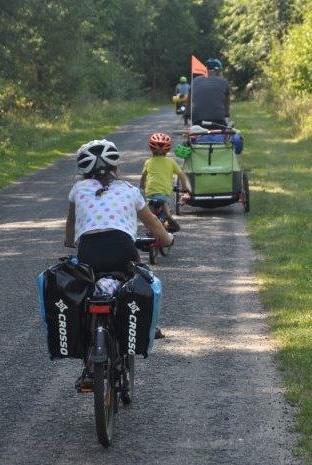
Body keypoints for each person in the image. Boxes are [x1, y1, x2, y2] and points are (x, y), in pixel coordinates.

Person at [64, 139, 173, 389]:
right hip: (123, 251)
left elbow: (71, 223)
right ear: (116, 168)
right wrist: (167, 239)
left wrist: (70, 242)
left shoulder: (77, 190)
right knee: (140, 279)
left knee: (88, 294)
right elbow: (154, 224)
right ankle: (148, 324)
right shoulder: (129, 190)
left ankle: (89, 360)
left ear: (84, 172)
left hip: (89, 253)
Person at [139, 133, 192, 233]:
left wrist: (142, 186)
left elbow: (143, 178)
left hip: (150, 193)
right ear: (167, 149)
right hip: (164, 193)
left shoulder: (148, 162)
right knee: (164, 204)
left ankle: (149, 227)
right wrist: (185, 188)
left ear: (151, 148)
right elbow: (182, 176)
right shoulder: (171, 162)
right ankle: (168, 219)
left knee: (150, 215)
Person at [188, 58, 230, 127]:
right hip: (218, 120)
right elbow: (227, 103)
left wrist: (187, 114)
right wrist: (226, 114)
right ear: (218, 70)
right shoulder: (224, 82)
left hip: (198, 120)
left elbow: (189, 101)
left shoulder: (195, 81)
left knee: (195, 136)